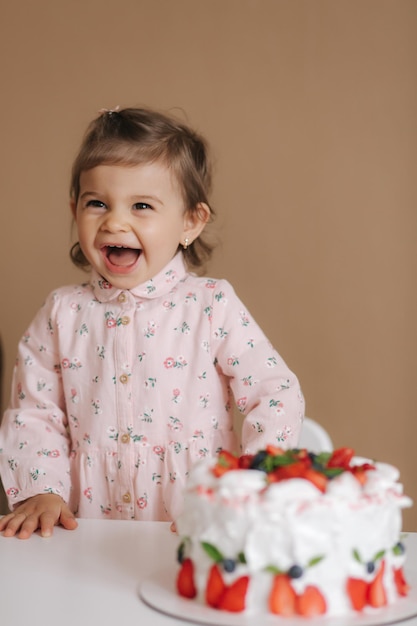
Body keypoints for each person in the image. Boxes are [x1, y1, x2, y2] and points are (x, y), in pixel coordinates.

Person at [0, 106, 304, 539]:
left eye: (141, 205)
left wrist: (247, 484)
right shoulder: (61, 313)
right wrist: (40, 490)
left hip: (194, 525)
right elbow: (35, 412)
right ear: (75, 210)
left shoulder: (210, 305)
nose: (115, 221)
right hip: (88, 528)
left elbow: (275, 394)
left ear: (190, 222)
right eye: (97, 203)